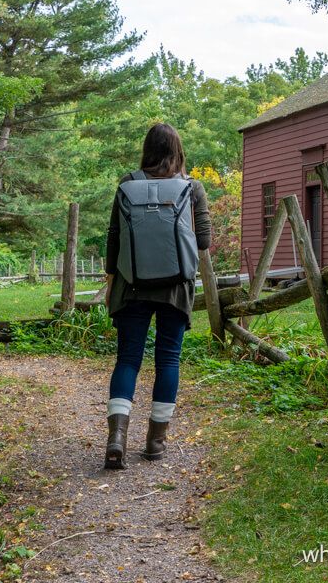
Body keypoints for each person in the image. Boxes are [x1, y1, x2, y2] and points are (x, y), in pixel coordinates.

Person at [103, 123, 211, 469]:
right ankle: (155, 443)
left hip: (131, 285)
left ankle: (116, 439)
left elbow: (114, 239)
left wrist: (110, 280)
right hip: (175, 287)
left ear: (147, 149)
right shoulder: (192, 188)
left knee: (128, 359)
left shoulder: (127, 183)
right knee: (168, 360)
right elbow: (205, 241)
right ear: (177, 150)